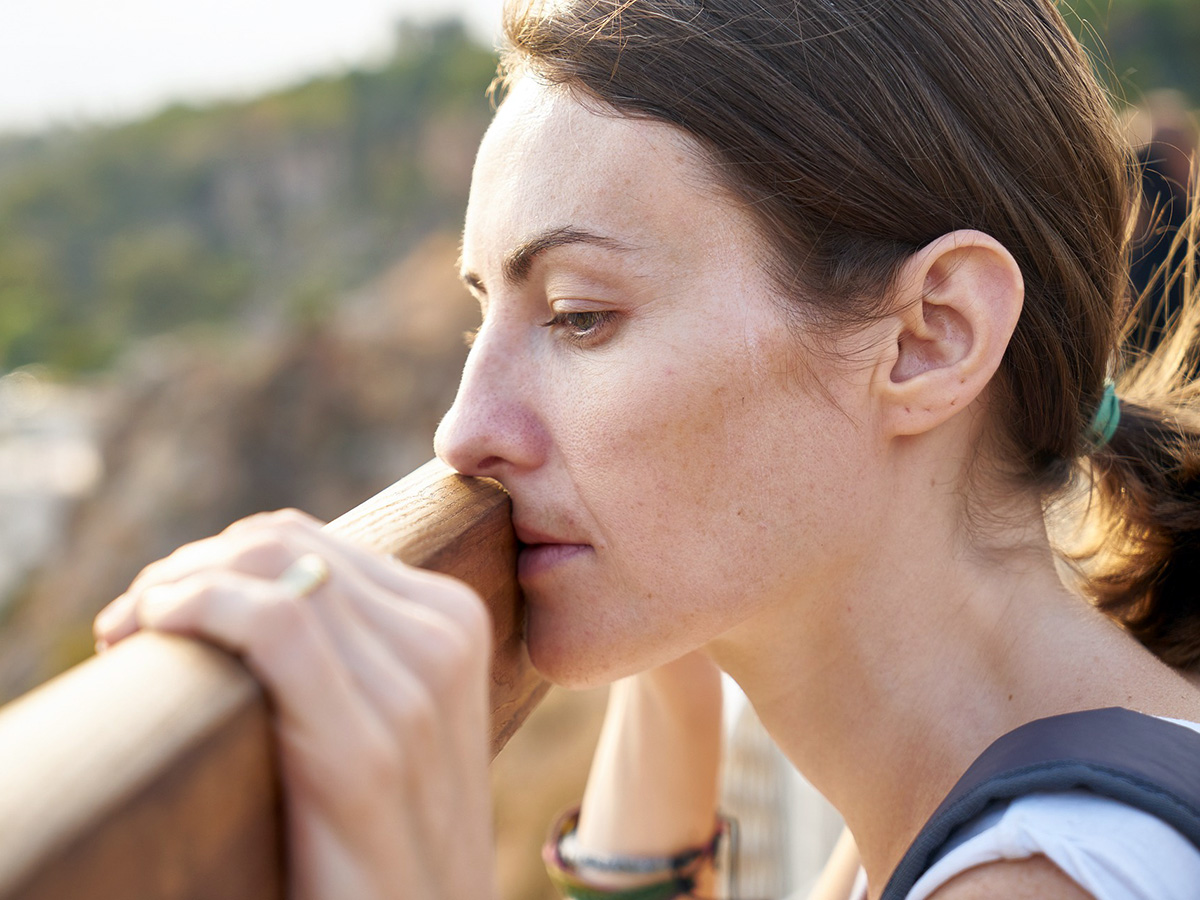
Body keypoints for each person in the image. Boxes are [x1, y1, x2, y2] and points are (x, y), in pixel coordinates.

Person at [93, 1, 1200, 898]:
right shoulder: (982, 792)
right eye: (486, 316)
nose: (461, 432)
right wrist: (665, 676)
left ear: (928, 338)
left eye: (579, 315)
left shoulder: (1044, 878)